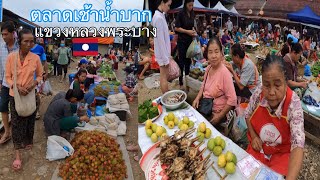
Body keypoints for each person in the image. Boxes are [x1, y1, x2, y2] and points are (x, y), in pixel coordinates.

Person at [245, 55, 304, 178]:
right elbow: (247, 115)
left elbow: (298, 144)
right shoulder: (258, 94)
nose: (271, 92)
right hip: (259, 147)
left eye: (277, 85)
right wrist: (254, 136)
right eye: (267, 85)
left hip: (281, 153)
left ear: (285, 81)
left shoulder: (294, 103)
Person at [5, 29, 43, 170]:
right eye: (26, 41)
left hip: (30, 95)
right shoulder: (11, 57)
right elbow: (7, 77)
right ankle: (17, 155)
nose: (29, 44)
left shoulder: (35, 58)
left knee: (29, 119)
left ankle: (28, 140)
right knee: (16, 123)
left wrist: (34, 83)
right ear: (19, 42)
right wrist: (15, 86)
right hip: (15, 95)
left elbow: (40, 75)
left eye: (32, 41)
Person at [192, 37, 237, 125]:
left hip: (218, 112)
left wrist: (219, 116)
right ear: (207, 55)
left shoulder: (225, 73)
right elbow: (203, 86)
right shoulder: (208, 68)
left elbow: (232, 99)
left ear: (221, 53)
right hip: (206, 106)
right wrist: (197, 98)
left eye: (216, 52)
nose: (213, 56)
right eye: (210, 52)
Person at [0, 21, 19, 144]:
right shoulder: (1, 48)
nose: (3, 37)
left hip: (18, 85)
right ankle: (7, 132)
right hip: (6, 84)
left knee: (17, 109)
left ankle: (17, 132)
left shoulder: (20, 47)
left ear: (13, 33)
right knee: (2, 106)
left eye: (6, 34)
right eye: (2, 34)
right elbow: (1, 66)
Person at [175, 0, 197, 89]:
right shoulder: (180, 13)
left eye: (192, 5)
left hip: (189, 41)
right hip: (182, 41)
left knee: (188, 61)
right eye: (189, 5)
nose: (191, 7)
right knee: (182, 62)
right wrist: (187, 31)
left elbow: (192, 26)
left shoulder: (192, 13)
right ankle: (180, 82)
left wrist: (194, 31)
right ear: (185, 4)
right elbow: (176, 28)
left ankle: (187, 81)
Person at [152, 0, 172, 93]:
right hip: (162, 53)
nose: (169, 8)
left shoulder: (159, 15)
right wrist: (165, 58)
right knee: (163, 77)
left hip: (162, 52)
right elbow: (160, 40)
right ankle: (166, 97)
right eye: (168, 5)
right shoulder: (158, 18)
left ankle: (166, 94)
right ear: (162, 3)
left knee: (163, 76)